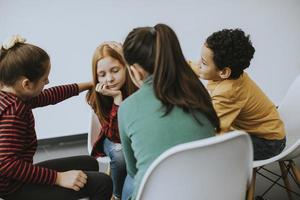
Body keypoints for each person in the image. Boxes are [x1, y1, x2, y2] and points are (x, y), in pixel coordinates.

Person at [0, 35, 112, 200]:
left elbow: (50, 96)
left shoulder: (13, 94)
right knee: (103, 183)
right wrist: (58, 178)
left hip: (13, 179)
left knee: (90, 163)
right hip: (14, 187)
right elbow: (6, 164)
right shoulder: (13, 113)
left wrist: (88, 84)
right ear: (26, 84)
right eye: (44, 80)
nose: (48, 81)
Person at [119, 23, 220, 200]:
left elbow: (133, 171)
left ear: (135, 71)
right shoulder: (198, 92)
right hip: (210, 192)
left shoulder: (127, 108)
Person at [197, 28, 286, 160]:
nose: (198, 64)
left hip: (268, 143)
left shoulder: (228, 92)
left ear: (223, 72)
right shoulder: (233, 74)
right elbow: (195, 67)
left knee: (210, 149)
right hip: (268, 131)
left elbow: (216, 129)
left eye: (203, 63)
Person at [86, 42, 137, 200]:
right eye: (102, 74)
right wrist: (117, 100)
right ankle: (116, 194)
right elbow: (115, 135)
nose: (109, 79)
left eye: (115, 70)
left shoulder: (137, 86)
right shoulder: (96, 97)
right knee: (120, 154)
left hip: (136, 136)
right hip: (113, 136)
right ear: (96, 76)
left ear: (125, 67)